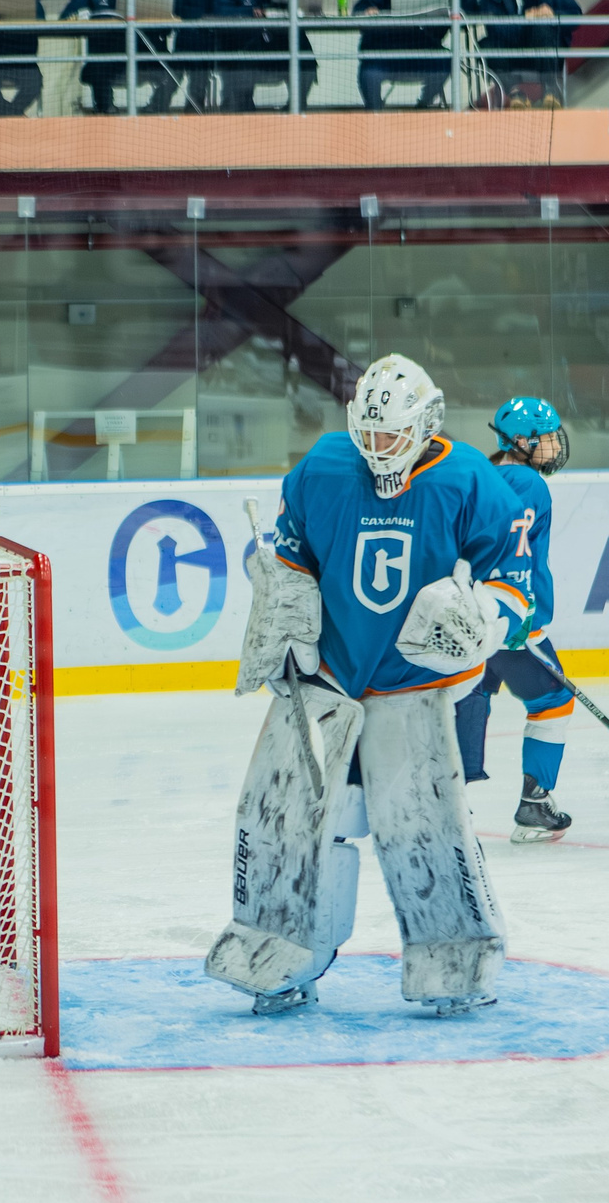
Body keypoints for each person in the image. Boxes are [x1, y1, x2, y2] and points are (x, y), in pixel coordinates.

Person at [206, 355, 537, 1018]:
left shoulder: (468, 477)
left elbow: (518, 571)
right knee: (300, 819)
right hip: (331, 678)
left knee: (424, 824)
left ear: (426, 422)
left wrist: (491, 614)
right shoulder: (326, 467)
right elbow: (292, 553)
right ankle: (283, 946)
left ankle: (456, 955)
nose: (380, 448)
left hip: (424, 686)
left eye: (393, 436)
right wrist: (286, 619)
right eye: (371, 434)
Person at [453, 397, 574, 841]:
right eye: (545, 438)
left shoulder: (480, 473)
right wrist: (518, 615)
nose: (554, 446)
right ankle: (535, 805)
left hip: (464, 616)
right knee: (553, 702)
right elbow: (515, 554)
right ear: (521, 442)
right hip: (509, 616)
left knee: (470, 695)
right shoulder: (528, 483)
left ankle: (451, 807)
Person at [63, 0, 173, 115]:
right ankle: (107, 112)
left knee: (175, 67)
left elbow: (162, 19)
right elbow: (67, 15)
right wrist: (81, 16)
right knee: (98, 68)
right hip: (109, 52)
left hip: (142, 50)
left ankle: (154, 110)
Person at [465, 0, 577, 107]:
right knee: (487, 44)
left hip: (541, 49)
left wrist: (553, 16)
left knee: (543, 28)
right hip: (511, 53)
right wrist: (527, 19)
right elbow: (495, 29)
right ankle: (515, 94)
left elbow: (575, 15)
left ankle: (551, 92)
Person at [353, 0, 455, 110]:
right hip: (383, 55)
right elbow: (360, 7)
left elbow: (468, 6)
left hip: (422, 55)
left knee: (445, 62)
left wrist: (454, 9)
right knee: (369, 71)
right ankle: (374, 114)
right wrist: (367, 11)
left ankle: (422, 107)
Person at [222, 0, 320, 112]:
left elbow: (302, 7)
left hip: (282, 53)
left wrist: (308, 11)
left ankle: (295, 110)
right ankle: (245, 113)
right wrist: (250, 12)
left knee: (306, 60)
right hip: (248, 55)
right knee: (238, 65)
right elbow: (220, 11)